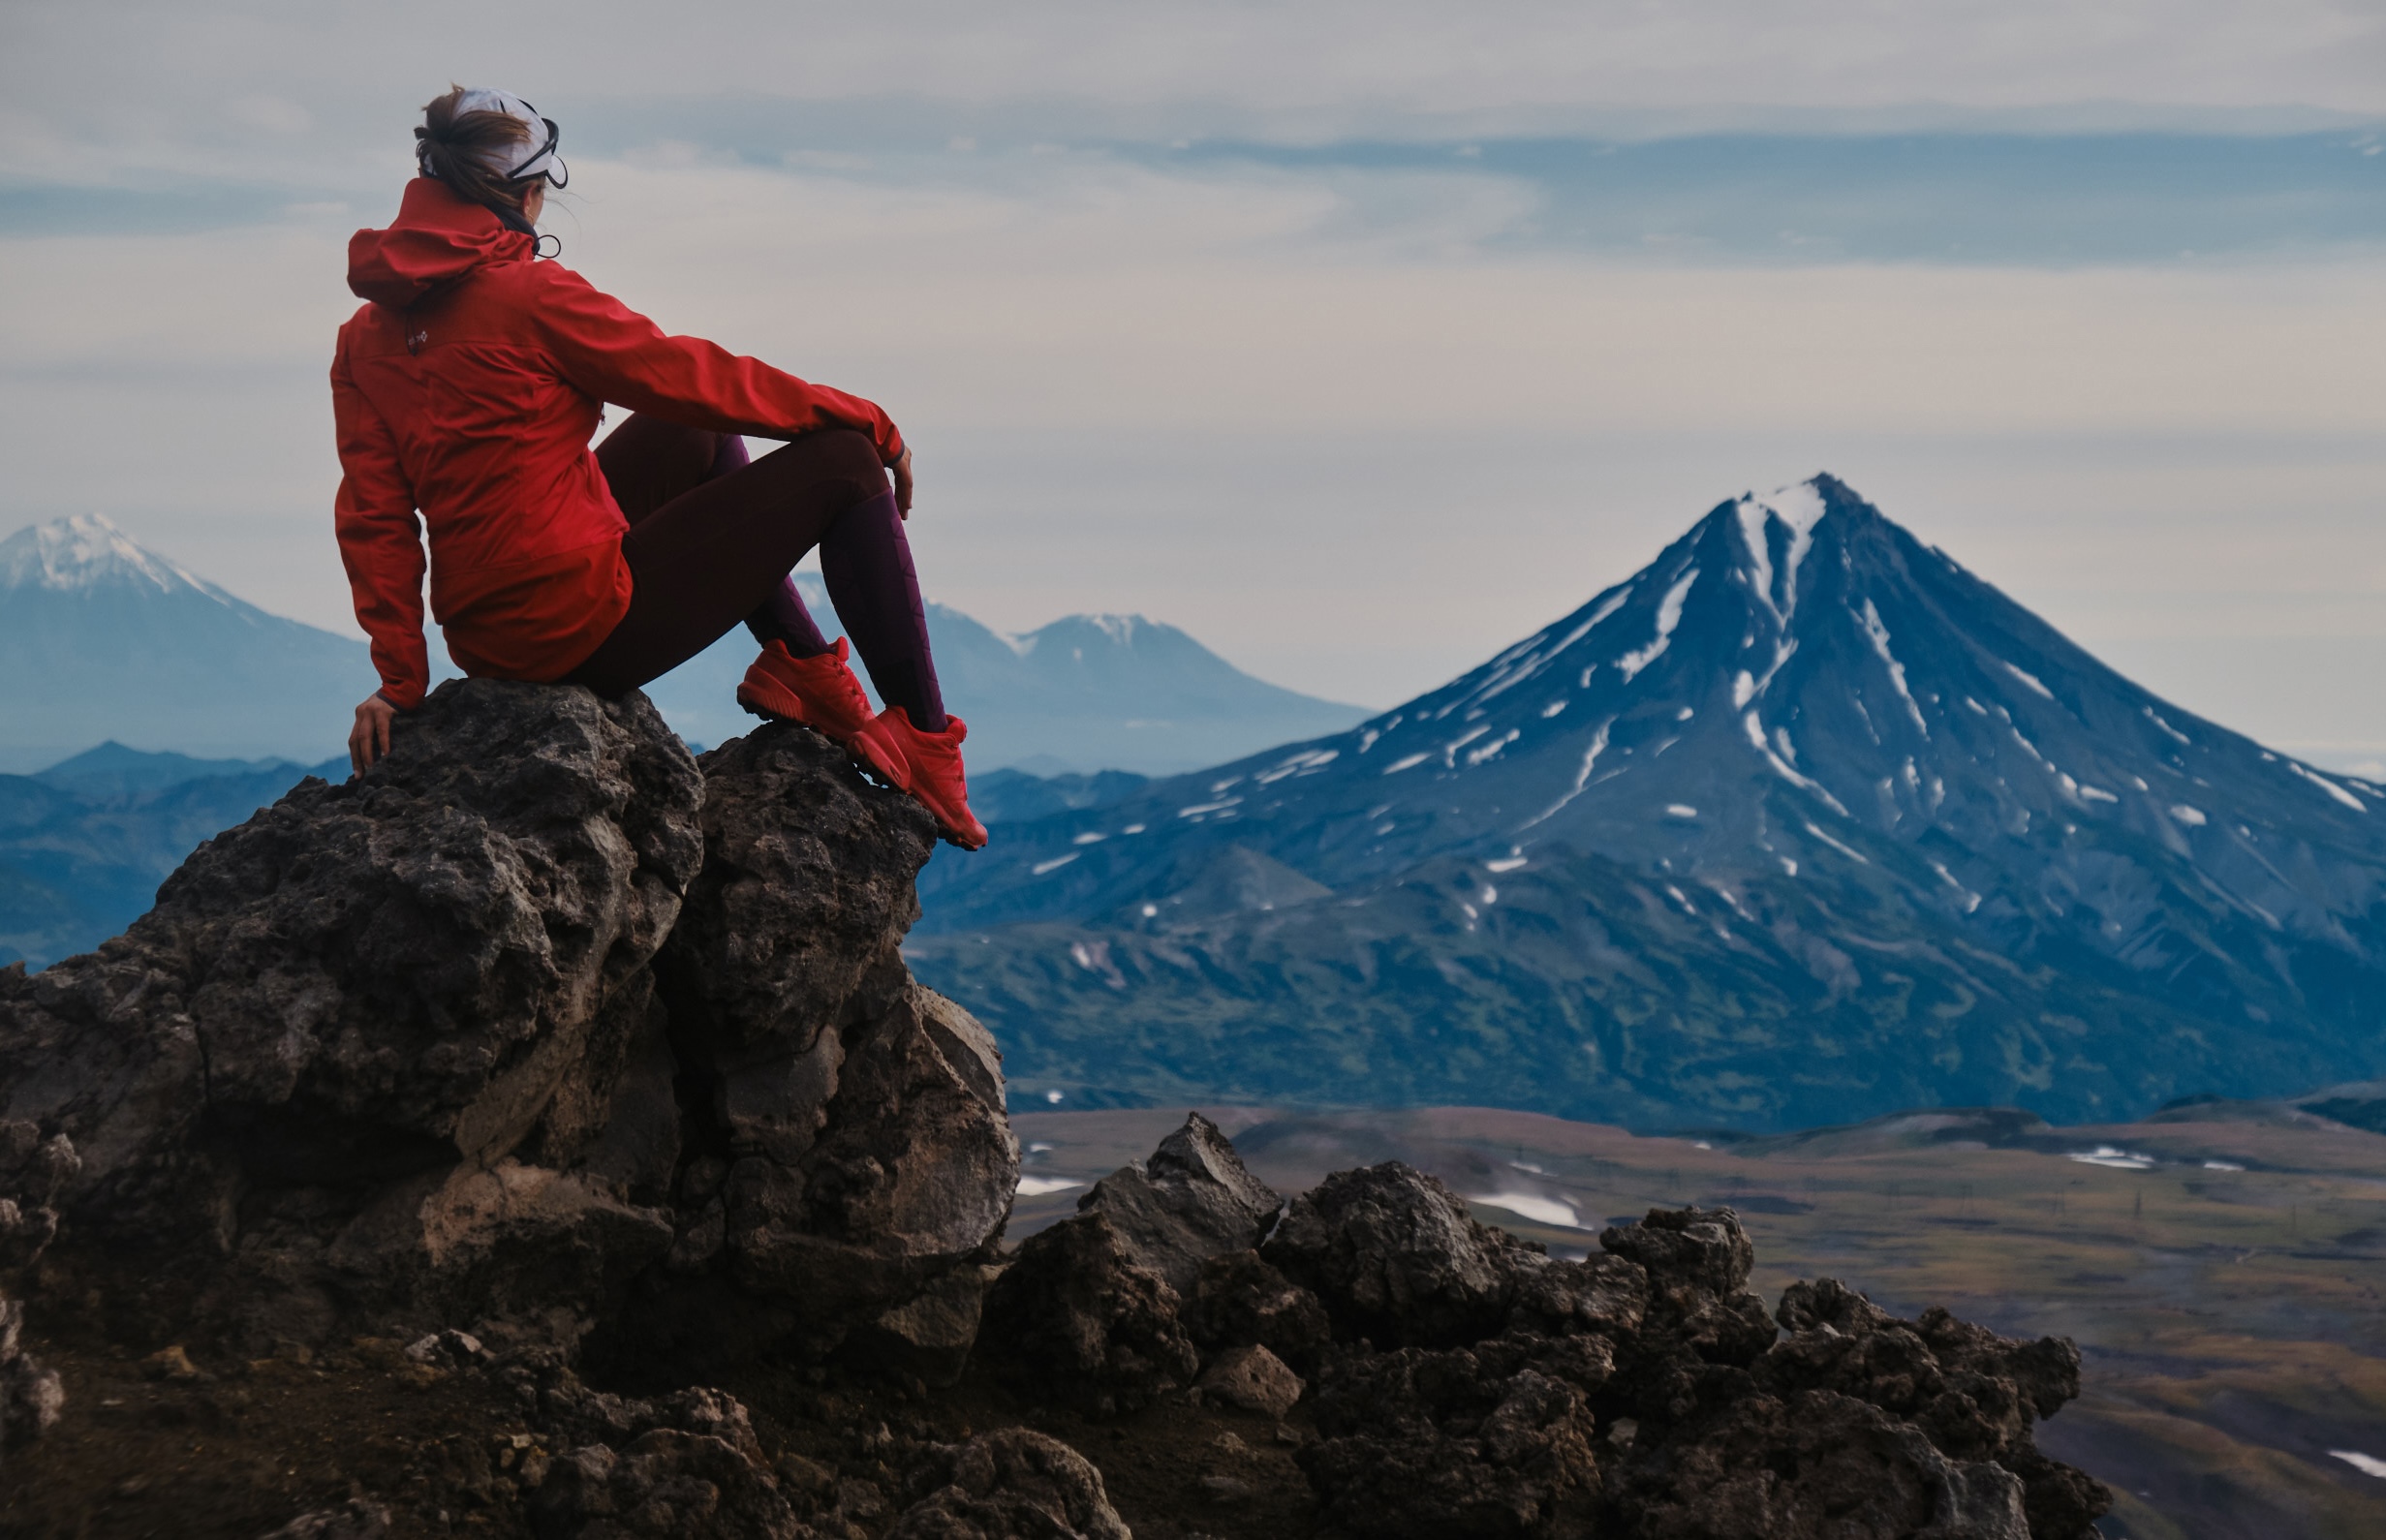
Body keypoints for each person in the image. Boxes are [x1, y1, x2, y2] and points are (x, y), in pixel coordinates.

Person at [330, 86, 985, 848]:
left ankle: (801, 667)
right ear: (530, 194)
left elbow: (374, 517)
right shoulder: (533, 296)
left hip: (483, 631)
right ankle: (923, 737)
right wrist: (871, 420)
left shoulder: (362, 337)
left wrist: (400, 682)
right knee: (843, 461)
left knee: (688, 429)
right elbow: (688, 372)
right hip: (572, 626)